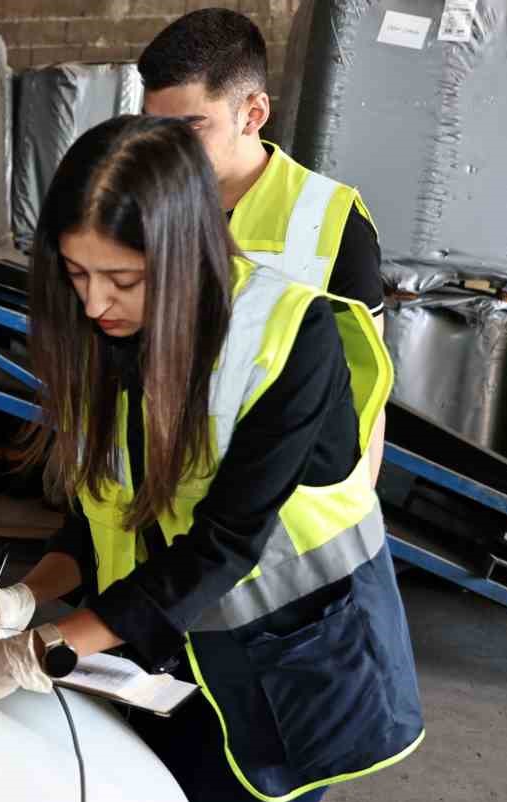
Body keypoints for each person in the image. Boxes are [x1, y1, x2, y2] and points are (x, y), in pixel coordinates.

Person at [0, 117, 424, 802]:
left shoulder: (292, 342)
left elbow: (218, 549)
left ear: (186, 250)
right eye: (77, 275)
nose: (98, 301)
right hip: (181, 663)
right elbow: (103, 510)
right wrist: (31, 590)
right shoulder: (114, 338)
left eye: (123, 279)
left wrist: (39, 652)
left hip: (297, 677)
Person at [138, 8, 390, 482]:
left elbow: (365, 392)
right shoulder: (141, 210)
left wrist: (353, 520)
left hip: (280, 507)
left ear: (253, 114)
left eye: (190, 128)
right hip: (164, 494)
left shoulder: (333, 220)